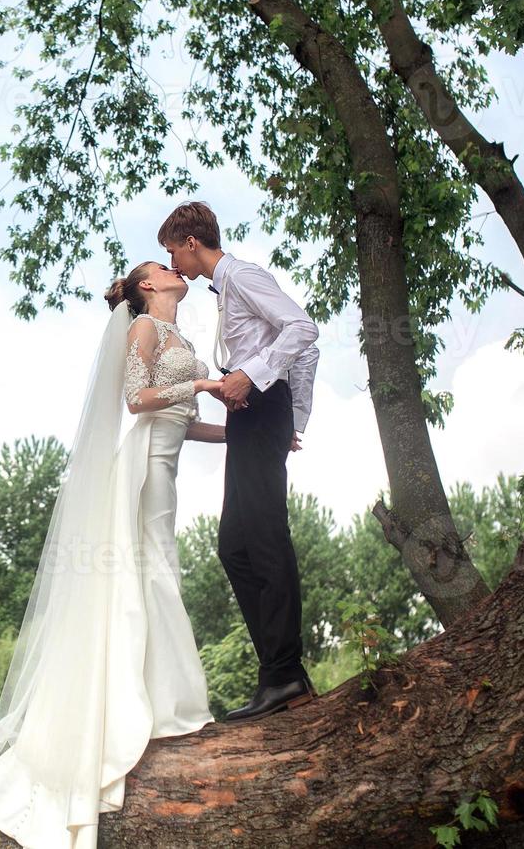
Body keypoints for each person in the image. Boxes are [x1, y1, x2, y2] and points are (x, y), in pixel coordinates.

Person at [0, 260, 225, 849]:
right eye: (164, 267)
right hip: (141, 466)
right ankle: (169, 710)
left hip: (166, 462)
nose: (174, 270)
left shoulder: (180, 337)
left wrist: (242, 435)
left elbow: (183, 422)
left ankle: (162, 702)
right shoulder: (143, 330)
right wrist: (206, 385)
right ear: (148, 287)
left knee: (158, 574)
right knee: (156, 576)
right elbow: (139, 401)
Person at [158, 200, 321, 721]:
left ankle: (285, 674)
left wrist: (259, 383)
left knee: (265, 536)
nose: (172, 263)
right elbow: (297, 348)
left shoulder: (245, 276)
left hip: (260, 407)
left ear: (190, 243)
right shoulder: (223, 292)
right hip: (252, 416)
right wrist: (286, 414)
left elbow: (303, 330)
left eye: (171, 251)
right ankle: (278, 671)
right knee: (234, 547)